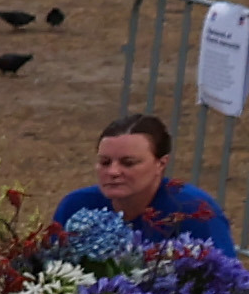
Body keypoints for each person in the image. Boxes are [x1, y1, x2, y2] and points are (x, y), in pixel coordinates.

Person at [54, 106, 240, 257]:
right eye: (105, 162)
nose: (113, 172)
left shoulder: (193, 211)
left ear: (161, 163)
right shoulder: (76, 206)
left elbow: (229, 286)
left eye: (128, 163)